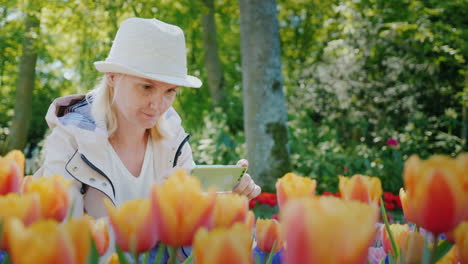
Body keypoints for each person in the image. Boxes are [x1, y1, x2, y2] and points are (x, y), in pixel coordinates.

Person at [34, 17, 261, 220]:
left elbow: (189, 227)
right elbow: (62, 234)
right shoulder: (69, 142)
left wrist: (228, 197)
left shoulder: (175, 143)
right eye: (146, 87)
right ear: (112, 77)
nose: (158, 105)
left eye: (169, 91)